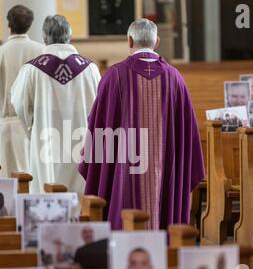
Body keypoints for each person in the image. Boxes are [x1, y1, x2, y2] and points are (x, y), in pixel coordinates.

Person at [79, 19, 204, 230]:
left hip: (123, 172)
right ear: (157, 41)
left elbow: (97, 126)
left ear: (129, 41)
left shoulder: (114, 76)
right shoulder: (175, 78)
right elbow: (189, 133)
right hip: (164, 173)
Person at [11, 15, 101, 194]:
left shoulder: (32, 69)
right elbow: (100, 105)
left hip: (45, 140)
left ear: (44, 38)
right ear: (70, 36)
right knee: (81, 195)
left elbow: (19, 103)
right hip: (81, 141)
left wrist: (31, 128)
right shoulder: (90, 69)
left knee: (47, 192)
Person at [0, 5, 44, 178]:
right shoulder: (41, 51)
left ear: (9, 24)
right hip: (34, 123)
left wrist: (1, 98)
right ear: (30, 25)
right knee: (33, 176)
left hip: (6, 122)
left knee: (7, 177)